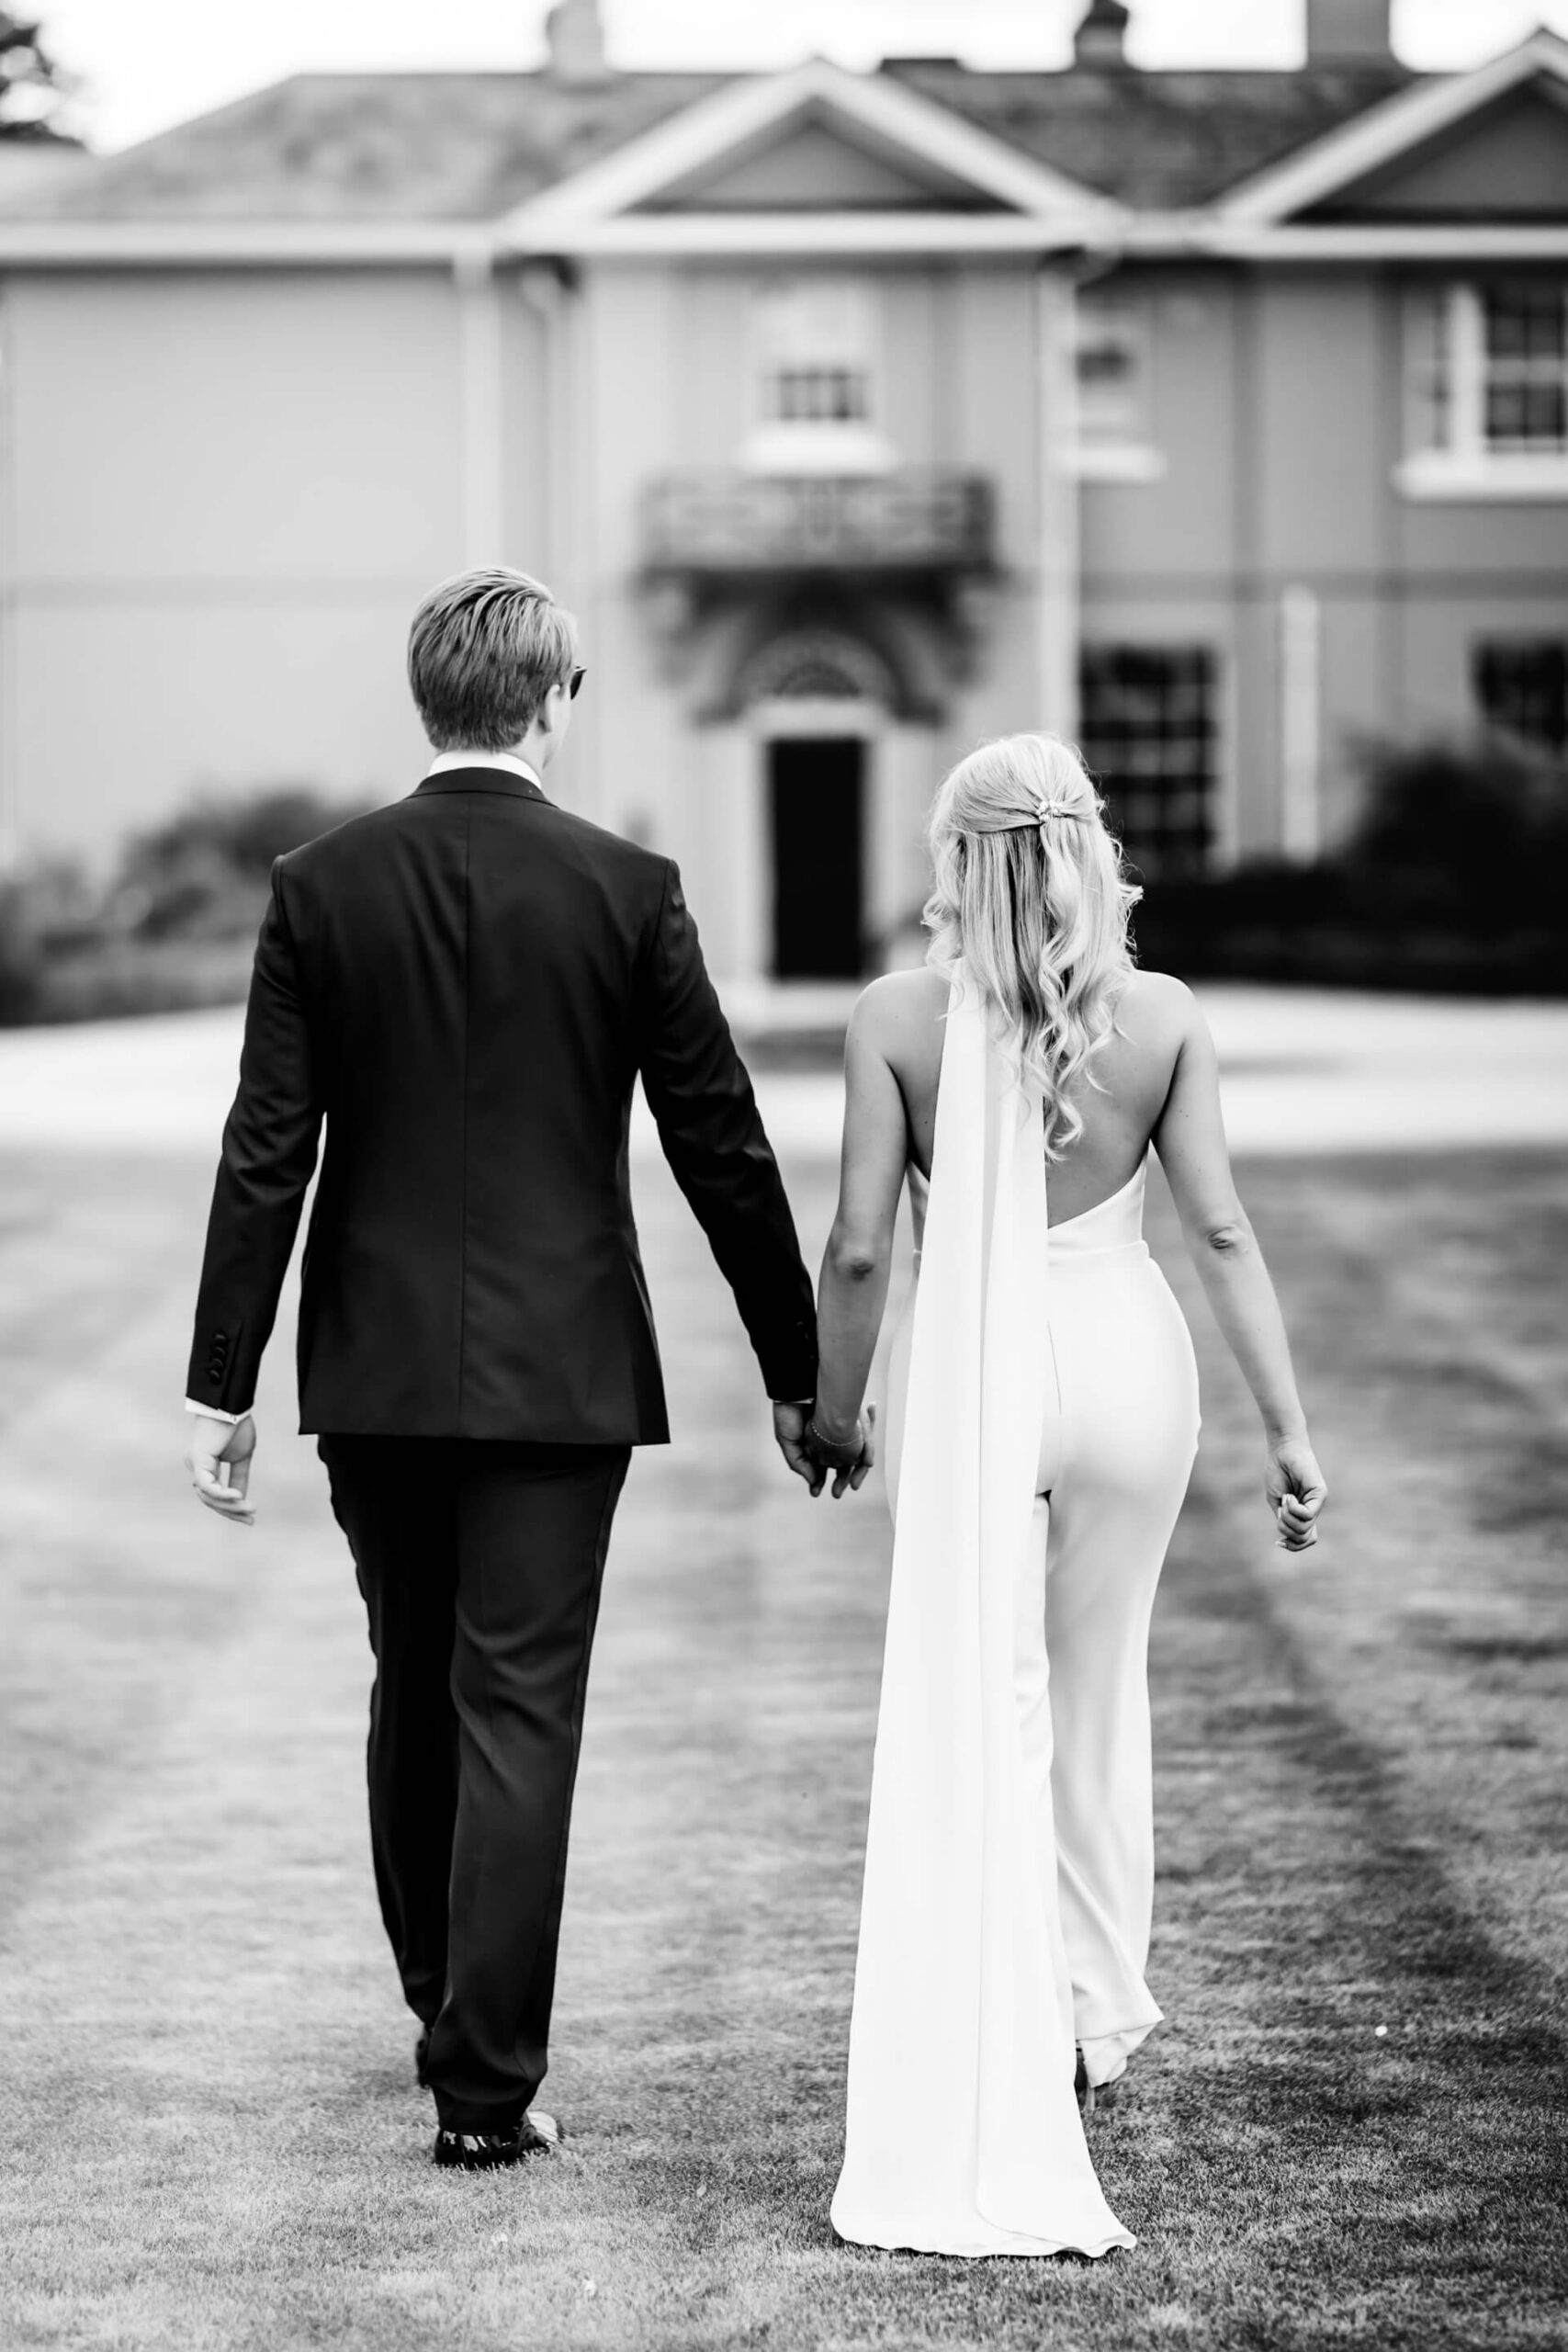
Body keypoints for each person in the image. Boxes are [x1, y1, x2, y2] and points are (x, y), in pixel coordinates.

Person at [182, 566, 822, 2170]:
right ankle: (484, 2090)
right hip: (558, 1373)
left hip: (378, 1372)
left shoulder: (322, 884)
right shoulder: (626, 887)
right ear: (549, 702)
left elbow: (268, 1149)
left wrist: (222, 1380)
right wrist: (798, 1363)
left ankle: (444, 2013)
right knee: (515, 1707)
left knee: (416, 1688)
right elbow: (721, 1144)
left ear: (432, 701)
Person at [801, 731, 1326, 2256]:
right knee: (1099, 1694)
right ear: (1087, 849)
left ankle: (994, 2024)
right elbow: (1219, 1233)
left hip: (977, 1375)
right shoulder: (1158, 1017)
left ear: (953, 860)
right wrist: (1286, 1429)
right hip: (1126, 1373)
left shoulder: (898, 1017)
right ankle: (1089, 2017)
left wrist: (834, 1418)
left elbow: (855, 1248)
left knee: (990, 1699)